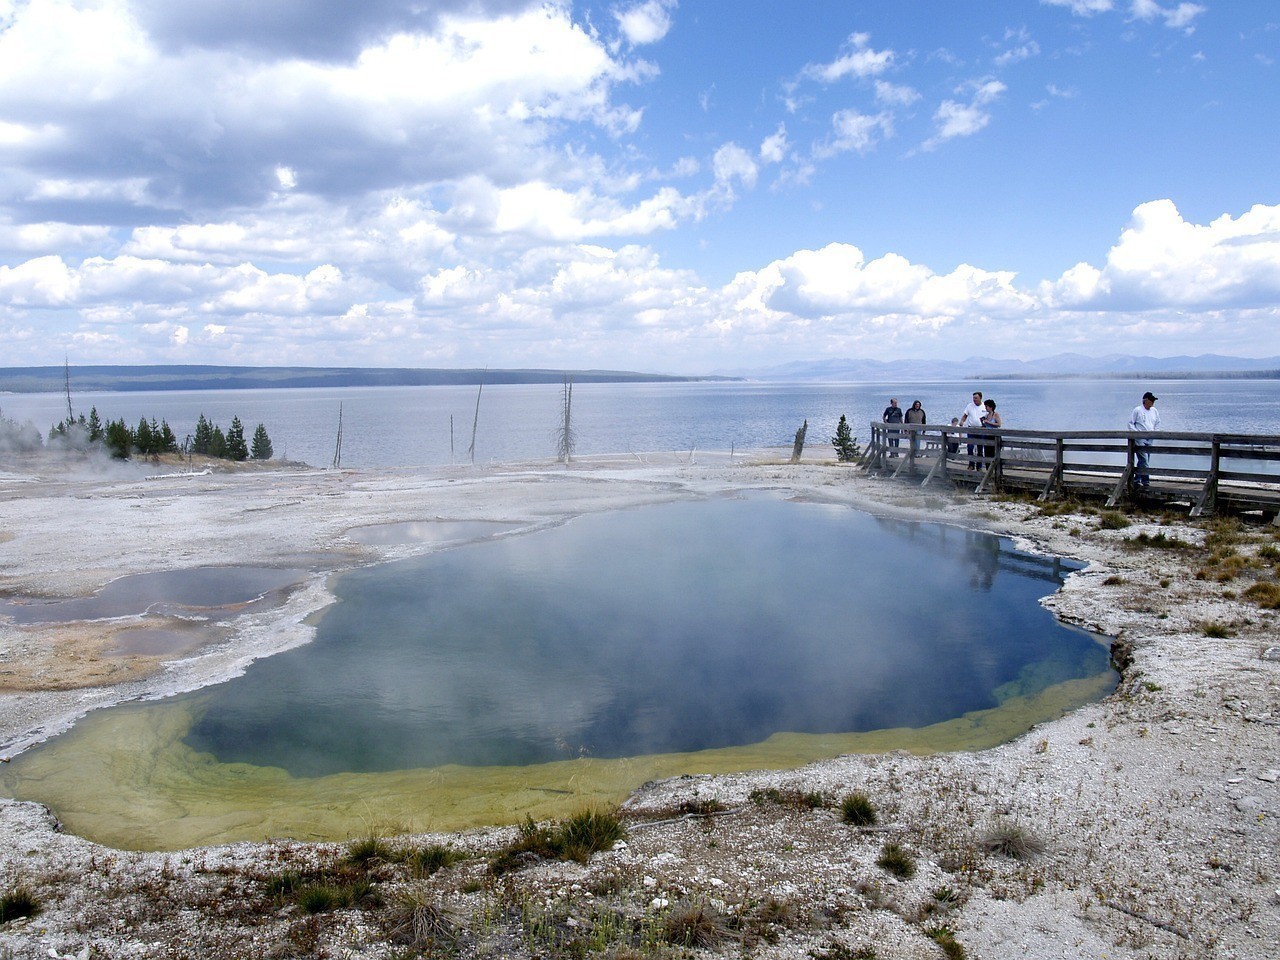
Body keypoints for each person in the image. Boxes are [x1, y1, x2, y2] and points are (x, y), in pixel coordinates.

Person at [1128, 391, 1161, 487]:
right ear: (1145, 401)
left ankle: (1137, 479)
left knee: (1144, 460)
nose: (1153, 402)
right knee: (1144, 459)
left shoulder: (1154, 411)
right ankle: (1146, 481)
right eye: (1151, 400)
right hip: (1140, 438)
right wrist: (1136, 433)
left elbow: (1158, 422)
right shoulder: (1137, 410)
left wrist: (1155, 432)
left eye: (1153, 401)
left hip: (1150, 438)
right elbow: (1130, 423)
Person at [958, 390, 984, 469]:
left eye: (976, 398)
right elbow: (965, 415)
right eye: (973, 398)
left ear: (980, 398)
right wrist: (962, 421)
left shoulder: (984, 406)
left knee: (980, 448)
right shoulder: (970, 406)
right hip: (971, 429)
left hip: (981, 429)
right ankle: (971, 464)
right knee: (970, 447)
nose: (974, 399)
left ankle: (979, 466)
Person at [980, 398, 1002, 465]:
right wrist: (983, 422)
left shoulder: (996, 414)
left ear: (991, 407)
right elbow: (986, 425)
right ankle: (988, 468)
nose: (986, 408)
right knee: (987, 453)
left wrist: (988, 422)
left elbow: (999, 424)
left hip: (994, 436)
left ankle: (995, 469)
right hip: (987, 435)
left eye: (986, 406)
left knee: (993, 453)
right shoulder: (986, 415)